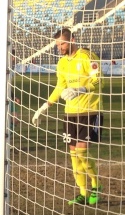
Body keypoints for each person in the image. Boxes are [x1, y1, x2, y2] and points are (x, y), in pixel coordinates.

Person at [32, 28, 103, 205]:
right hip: (70, 113)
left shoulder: (87, 56)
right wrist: (44, 107)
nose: (60, 47)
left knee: (82, 152)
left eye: (62, 43)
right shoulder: (62, 63)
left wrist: (81, 89)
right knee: (73, 156)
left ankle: (96, 185)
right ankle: (82, 193)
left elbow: (99, 80)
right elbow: (59, 87)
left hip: (90, 111)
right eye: (57, 44)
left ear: (72, 39)